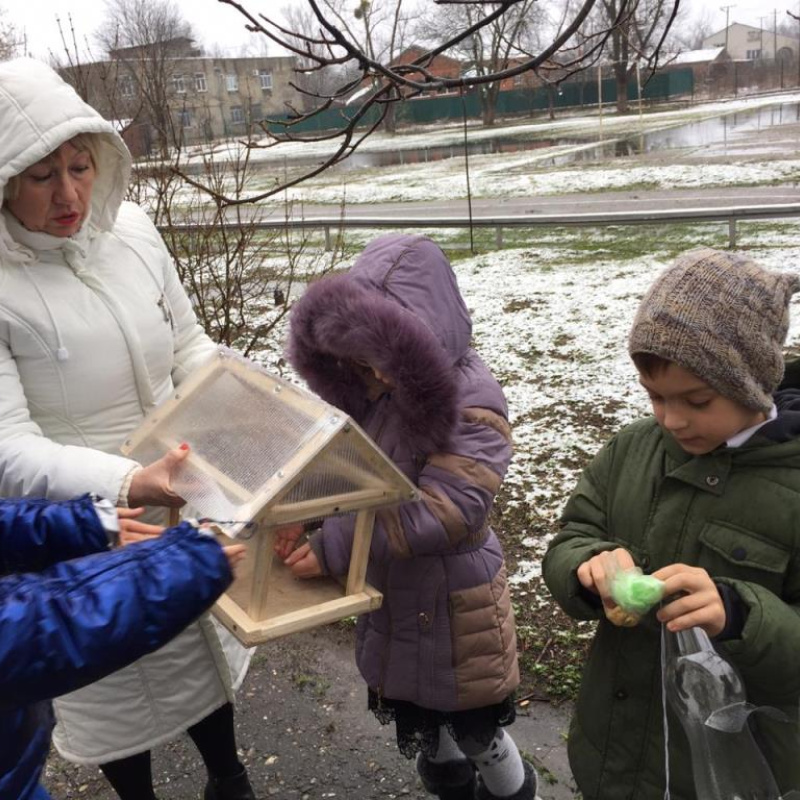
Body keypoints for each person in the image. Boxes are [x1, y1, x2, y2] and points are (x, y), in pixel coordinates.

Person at [0, 58, 255, 800]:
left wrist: (249, 406)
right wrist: (122, 484)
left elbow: (189, 347)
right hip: (86, 522)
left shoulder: (135, 234)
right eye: (42, 175)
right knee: (111, 681)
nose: (71, 192)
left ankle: (228, 778)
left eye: (81, 166)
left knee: (201, 649)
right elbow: (8, 447)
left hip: (185, 482)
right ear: (5, 177)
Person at [277, 234, 538, 800]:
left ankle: (514, 791)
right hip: (397, 591)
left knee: (474, 726)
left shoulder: (471, 400)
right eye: (359, 359)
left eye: (381, 358)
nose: (370, 371)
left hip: (454, 599)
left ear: (419, 342)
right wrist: (299, 508)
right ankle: (448, 785)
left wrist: (333, 546)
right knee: (423, 714)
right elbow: (351, 466)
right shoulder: (374, 394)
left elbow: (447, 510)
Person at [542, 247, 800, 800]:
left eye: (697, 400)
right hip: (614, 755)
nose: (671, 419)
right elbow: (571, 537)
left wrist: (739, 615)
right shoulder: (632, 450)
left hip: (732, 772)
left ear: (754, 383)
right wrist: (589, 567)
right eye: (654, 396)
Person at [1, 494, 247, 800]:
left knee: (191, 669)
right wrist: (176, 569)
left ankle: (229, 780)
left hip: (129, 521)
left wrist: (81, 522)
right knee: (106, 710)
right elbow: (32, 634)